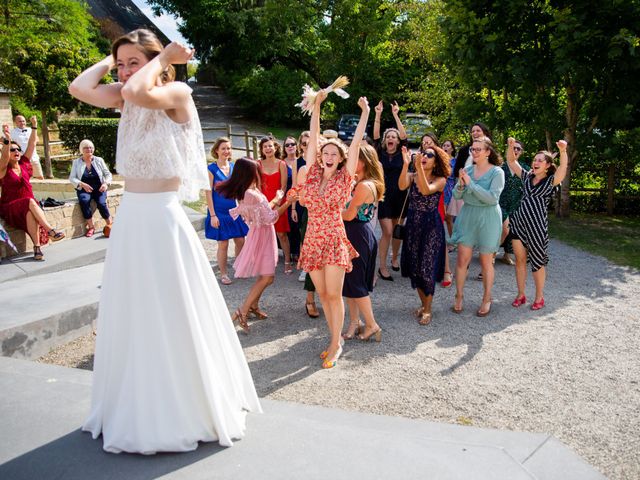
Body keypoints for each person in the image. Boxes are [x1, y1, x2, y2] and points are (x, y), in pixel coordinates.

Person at [68, 28, 261, 454]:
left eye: (132, 61)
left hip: (161, 218)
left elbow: (140, 89)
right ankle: (133, 402)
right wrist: (110, 58)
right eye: (120, 64)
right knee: (133, 309)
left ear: (158, 61)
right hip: (133, 217)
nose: (124, 72)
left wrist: (160, 62)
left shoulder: (175, 91)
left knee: (170, 310)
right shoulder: (126, 91)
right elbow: (79, 87)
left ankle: (184, 407)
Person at [297, 91, 368, 369]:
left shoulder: (345, 177)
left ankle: (335, 343)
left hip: (334, 238)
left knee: (335, 295)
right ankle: (334, 338)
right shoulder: (313, 172)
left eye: (333, 153)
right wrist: (317, 105)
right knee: (324, 294)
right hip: (313, 238)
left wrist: (364, 114)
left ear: (340, 159)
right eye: (325, 152)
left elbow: (356, 143)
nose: (328, 155)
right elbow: (313, 137)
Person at [218, 157, 294, 330]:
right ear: (249, 173)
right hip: (263, 235)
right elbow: (271, 217)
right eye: (256, 170)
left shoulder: (247, 190)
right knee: (267, 277)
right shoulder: (251, 193)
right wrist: (288, 202)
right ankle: (242, 311)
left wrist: (276, 198)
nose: (259, 173)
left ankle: (253, 306)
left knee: (266, 276)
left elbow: (265, 209)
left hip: (260, 234)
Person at [507, 138, 568, 310]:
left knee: (537, 263)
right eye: (535, 159)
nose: (536, 162)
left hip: (537, 227)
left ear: (548, 165)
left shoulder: (551, 181)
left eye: (540, 160)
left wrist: (563, 151)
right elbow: (511, 161)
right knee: (519, 260)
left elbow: (563, 168)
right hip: (519, 224)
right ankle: (521, 294)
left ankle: (539, 297)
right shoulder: (526, 177)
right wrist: (511, 146)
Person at [450, 137, 505, 317]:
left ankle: (486, 298)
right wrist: (460, 185)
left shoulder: (497, 172)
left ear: (488, 152)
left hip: (488, 217)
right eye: (472, 149)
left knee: (485, 261)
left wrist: (470, 184)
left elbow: (491, 198)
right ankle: (459, 295)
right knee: (461, 259)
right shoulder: (467, 170)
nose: (474, 152)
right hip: (468, 215)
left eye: (478, 149)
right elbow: (457, 196)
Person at [399, 144, 450, 325]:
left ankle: (428, 310)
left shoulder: (441, 179)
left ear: (436, 161)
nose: (425, 156)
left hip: (431, 227)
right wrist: (406, 165)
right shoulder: (413, 176)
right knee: (415, 267)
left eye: (429, 155)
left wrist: (418, 167)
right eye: (423, 154)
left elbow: (426, 189)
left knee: (427, 268)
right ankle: (424, 304)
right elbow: (401, 185)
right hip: (413, 224)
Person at [1, 120, 65, 261]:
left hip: (28, 205)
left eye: (18, 149)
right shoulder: (3, 169)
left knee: (30, 212)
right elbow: (4, 157)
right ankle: (50, 230)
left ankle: (37, 248)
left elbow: (32, 145)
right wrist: (7, 140)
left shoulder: (24, 163)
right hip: (10, 206)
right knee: (30, 202)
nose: (16, 152)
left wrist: (34, 126)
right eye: (13, 150)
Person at [341, 142, 384, 341]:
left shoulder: (364, 185)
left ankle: (372, 324)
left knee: (356, 283)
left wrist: (326, 210)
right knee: (349, 283)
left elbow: (349, 215)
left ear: (364, 161)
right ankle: (354, 322)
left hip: (357, 233)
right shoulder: (363, 182)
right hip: (357, 232)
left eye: (354, 157)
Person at [205, 137, 249, 285]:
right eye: (223, 148)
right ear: (216, 150)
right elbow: (208, 193)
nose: (226, 151)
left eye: (229, 148)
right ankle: (223, 274)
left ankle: (238, 267)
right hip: (219, 212)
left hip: (234, 210)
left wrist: (242, 209)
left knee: (241, 240)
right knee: (223, 243)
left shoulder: (234, 167)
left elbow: (239, 190)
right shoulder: (211, 169)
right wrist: (212, 215)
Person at [372, 100, 408, 280]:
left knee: (397, 230)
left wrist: (395, 114)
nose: (391, 139)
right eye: (389, 137)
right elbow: (376, 136)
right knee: (387, 231)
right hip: (384, 196)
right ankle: (382, 266)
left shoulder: (403, 152)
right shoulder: (379, 152)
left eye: (394, 137)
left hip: (401, 196)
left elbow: (404, 136)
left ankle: (395, 258)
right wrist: (378, 114)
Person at [258, 135, 292, 274]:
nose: (268, 148)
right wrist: (263, 204)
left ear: (275, 147)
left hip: (279, 203)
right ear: (261, 149)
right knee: (262, 234)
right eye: (265, 146)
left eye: (270, 146)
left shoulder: (281, 164)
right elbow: (258, 185)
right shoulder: (258, 164)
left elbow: (283, 186)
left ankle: (288, 262)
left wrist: (277, 203)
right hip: (263, 203)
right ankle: (265, 262)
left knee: (282, 234)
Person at [69, 139, 114, 237]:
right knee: (84, 201)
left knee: (102, 203)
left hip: (99, 188)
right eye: (85, 148)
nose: (89, 149)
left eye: (90, 147)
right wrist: (81, 184)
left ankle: (110, 225)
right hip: (84, 189)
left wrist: (106, 183)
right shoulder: (76, 162)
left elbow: (108, 174)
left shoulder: (99, 160)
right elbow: (72, 178)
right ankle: (91, 227)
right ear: (81, 149)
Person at [498, 139, 528, 266]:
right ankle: (490, 253)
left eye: (518, 149)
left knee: (513, 230)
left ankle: (506, 255)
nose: (515, 150)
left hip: (516, 204)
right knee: (502, 229)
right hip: (500, 203)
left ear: (521, 152)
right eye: (513, 147)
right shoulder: (500, 167)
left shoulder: (525, 168)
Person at [282, 135, 301, 263]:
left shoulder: (300, 161)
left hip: (298, 197)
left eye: (292, 144)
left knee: (297, 225)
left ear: (296, 146)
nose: (290, 147)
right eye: (287, 145)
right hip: (284, 198)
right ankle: (289, 251)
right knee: (287, 225)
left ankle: (297, 251)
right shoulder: (282, 162)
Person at [10, 115, 44, 180]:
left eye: (23, 121)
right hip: (22, 158)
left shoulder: (31, 130)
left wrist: (34, 141)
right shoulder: (12, 133)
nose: (22, 123)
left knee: (40, 177)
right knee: (24, 178)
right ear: (16, 123)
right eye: (20, 121)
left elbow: (37, 139)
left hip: (34, 157)